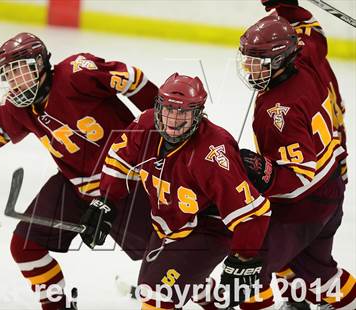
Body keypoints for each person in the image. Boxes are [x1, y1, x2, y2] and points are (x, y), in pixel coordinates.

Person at [0, 32, 159, 310]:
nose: (17, 82)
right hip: (74, 186)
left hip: (125, 183)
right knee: (25, 247)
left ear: (42, 64)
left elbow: (133, 78)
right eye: (10, 76)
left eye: (23, 72)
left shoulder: (76, 73)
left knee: (166, 260)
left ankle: (215, 301)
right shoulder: (17, 106)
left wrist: (162, 125)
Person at [79, 72, 272, 310]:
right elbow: (119, 160)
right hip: (169, 223)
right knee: (156, 286)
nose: (172, 119)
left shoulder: (213, 152)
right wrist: (106, 201)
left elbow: (253, 213)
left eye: (183, 112)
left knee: (157, 298)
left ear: (199, 114)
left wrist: (242, 259)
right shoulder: (145, 124)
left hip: (208, 229)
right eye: (168, 109)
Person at [232, 12, 355, 310]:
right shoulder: (305, 59)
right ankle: (302, 301)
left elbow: (299, 177)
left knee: (251, 263)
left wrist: (263, 173)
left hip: (306, 203)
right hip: (329, 188)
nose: (249, 68)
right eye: (247, 59)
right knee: (313, 266)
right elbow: (313, 32)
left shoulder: (279, 113)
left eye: (257, 62)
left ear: (279, 61)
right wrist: (287, 7)